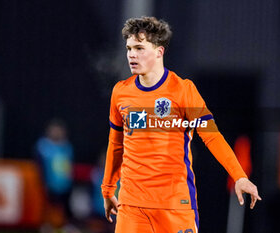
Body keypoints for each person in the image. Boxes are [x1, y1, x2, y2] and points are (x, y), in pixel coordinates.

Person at [101, 16, 261, 233]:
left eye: (139, 48)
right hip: (133, 206)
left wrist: (239, 176)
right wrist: (108, 189)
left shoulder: (183, 91)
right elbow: (116, 144)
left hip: (174, 205)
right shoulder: (121, 92)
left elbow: (211, 136)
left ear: (159, 51)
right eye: (129, 48)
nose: (131, 54)